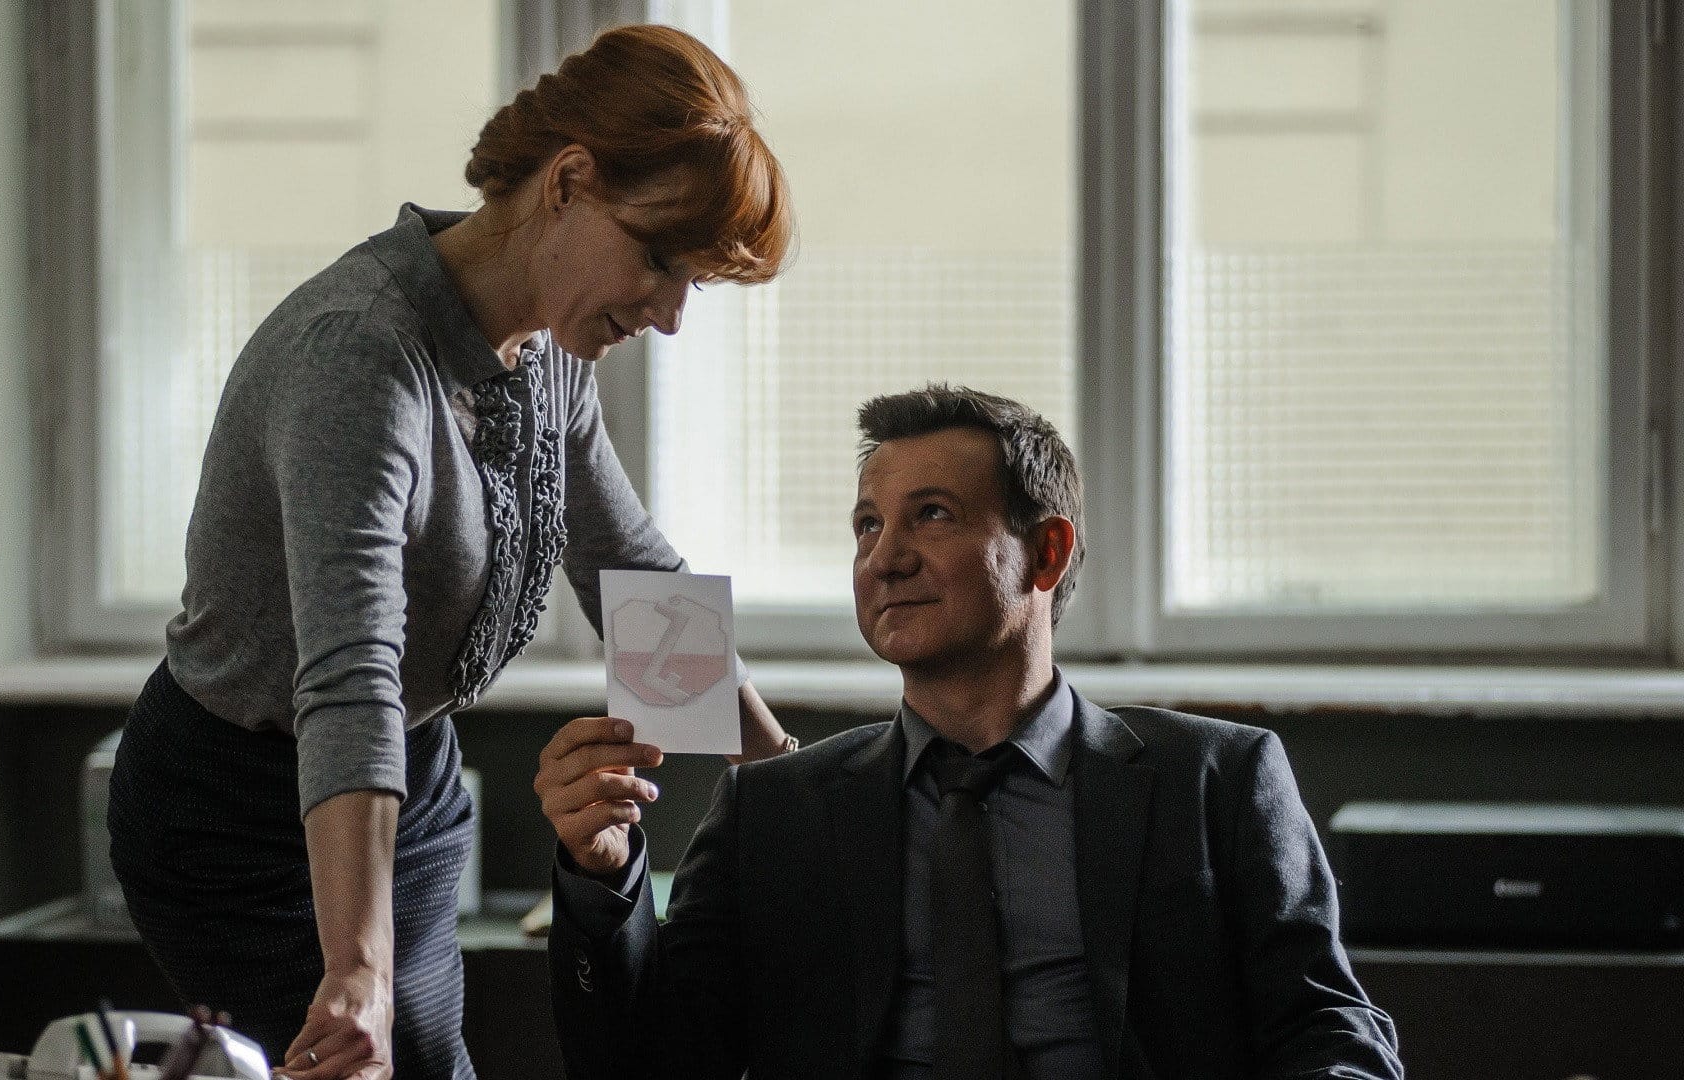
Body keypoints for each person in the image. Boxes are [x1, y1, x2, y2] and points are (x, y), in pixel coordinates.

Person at [107, 24, 797, 1080]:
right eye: (660, 261)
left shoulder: (546, 349)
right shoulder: (362, 356)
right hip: (233, 815)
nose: (668, 316)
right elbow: (350, 677)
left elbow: (631, 578)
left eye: (692, 284)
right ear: (569, 181)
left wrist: (789, 784)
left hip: (410, 781)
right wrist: (357, 969)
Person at [537, 385, 1404, 1080]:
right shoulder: (773, 810)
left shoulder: (1217, 780)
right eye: (868, 525)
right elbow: (652, 1063)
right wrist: (602, 876)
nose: (885, 558)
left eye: (932, 515)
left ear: (1047, 552)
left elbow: (1331, 1031)